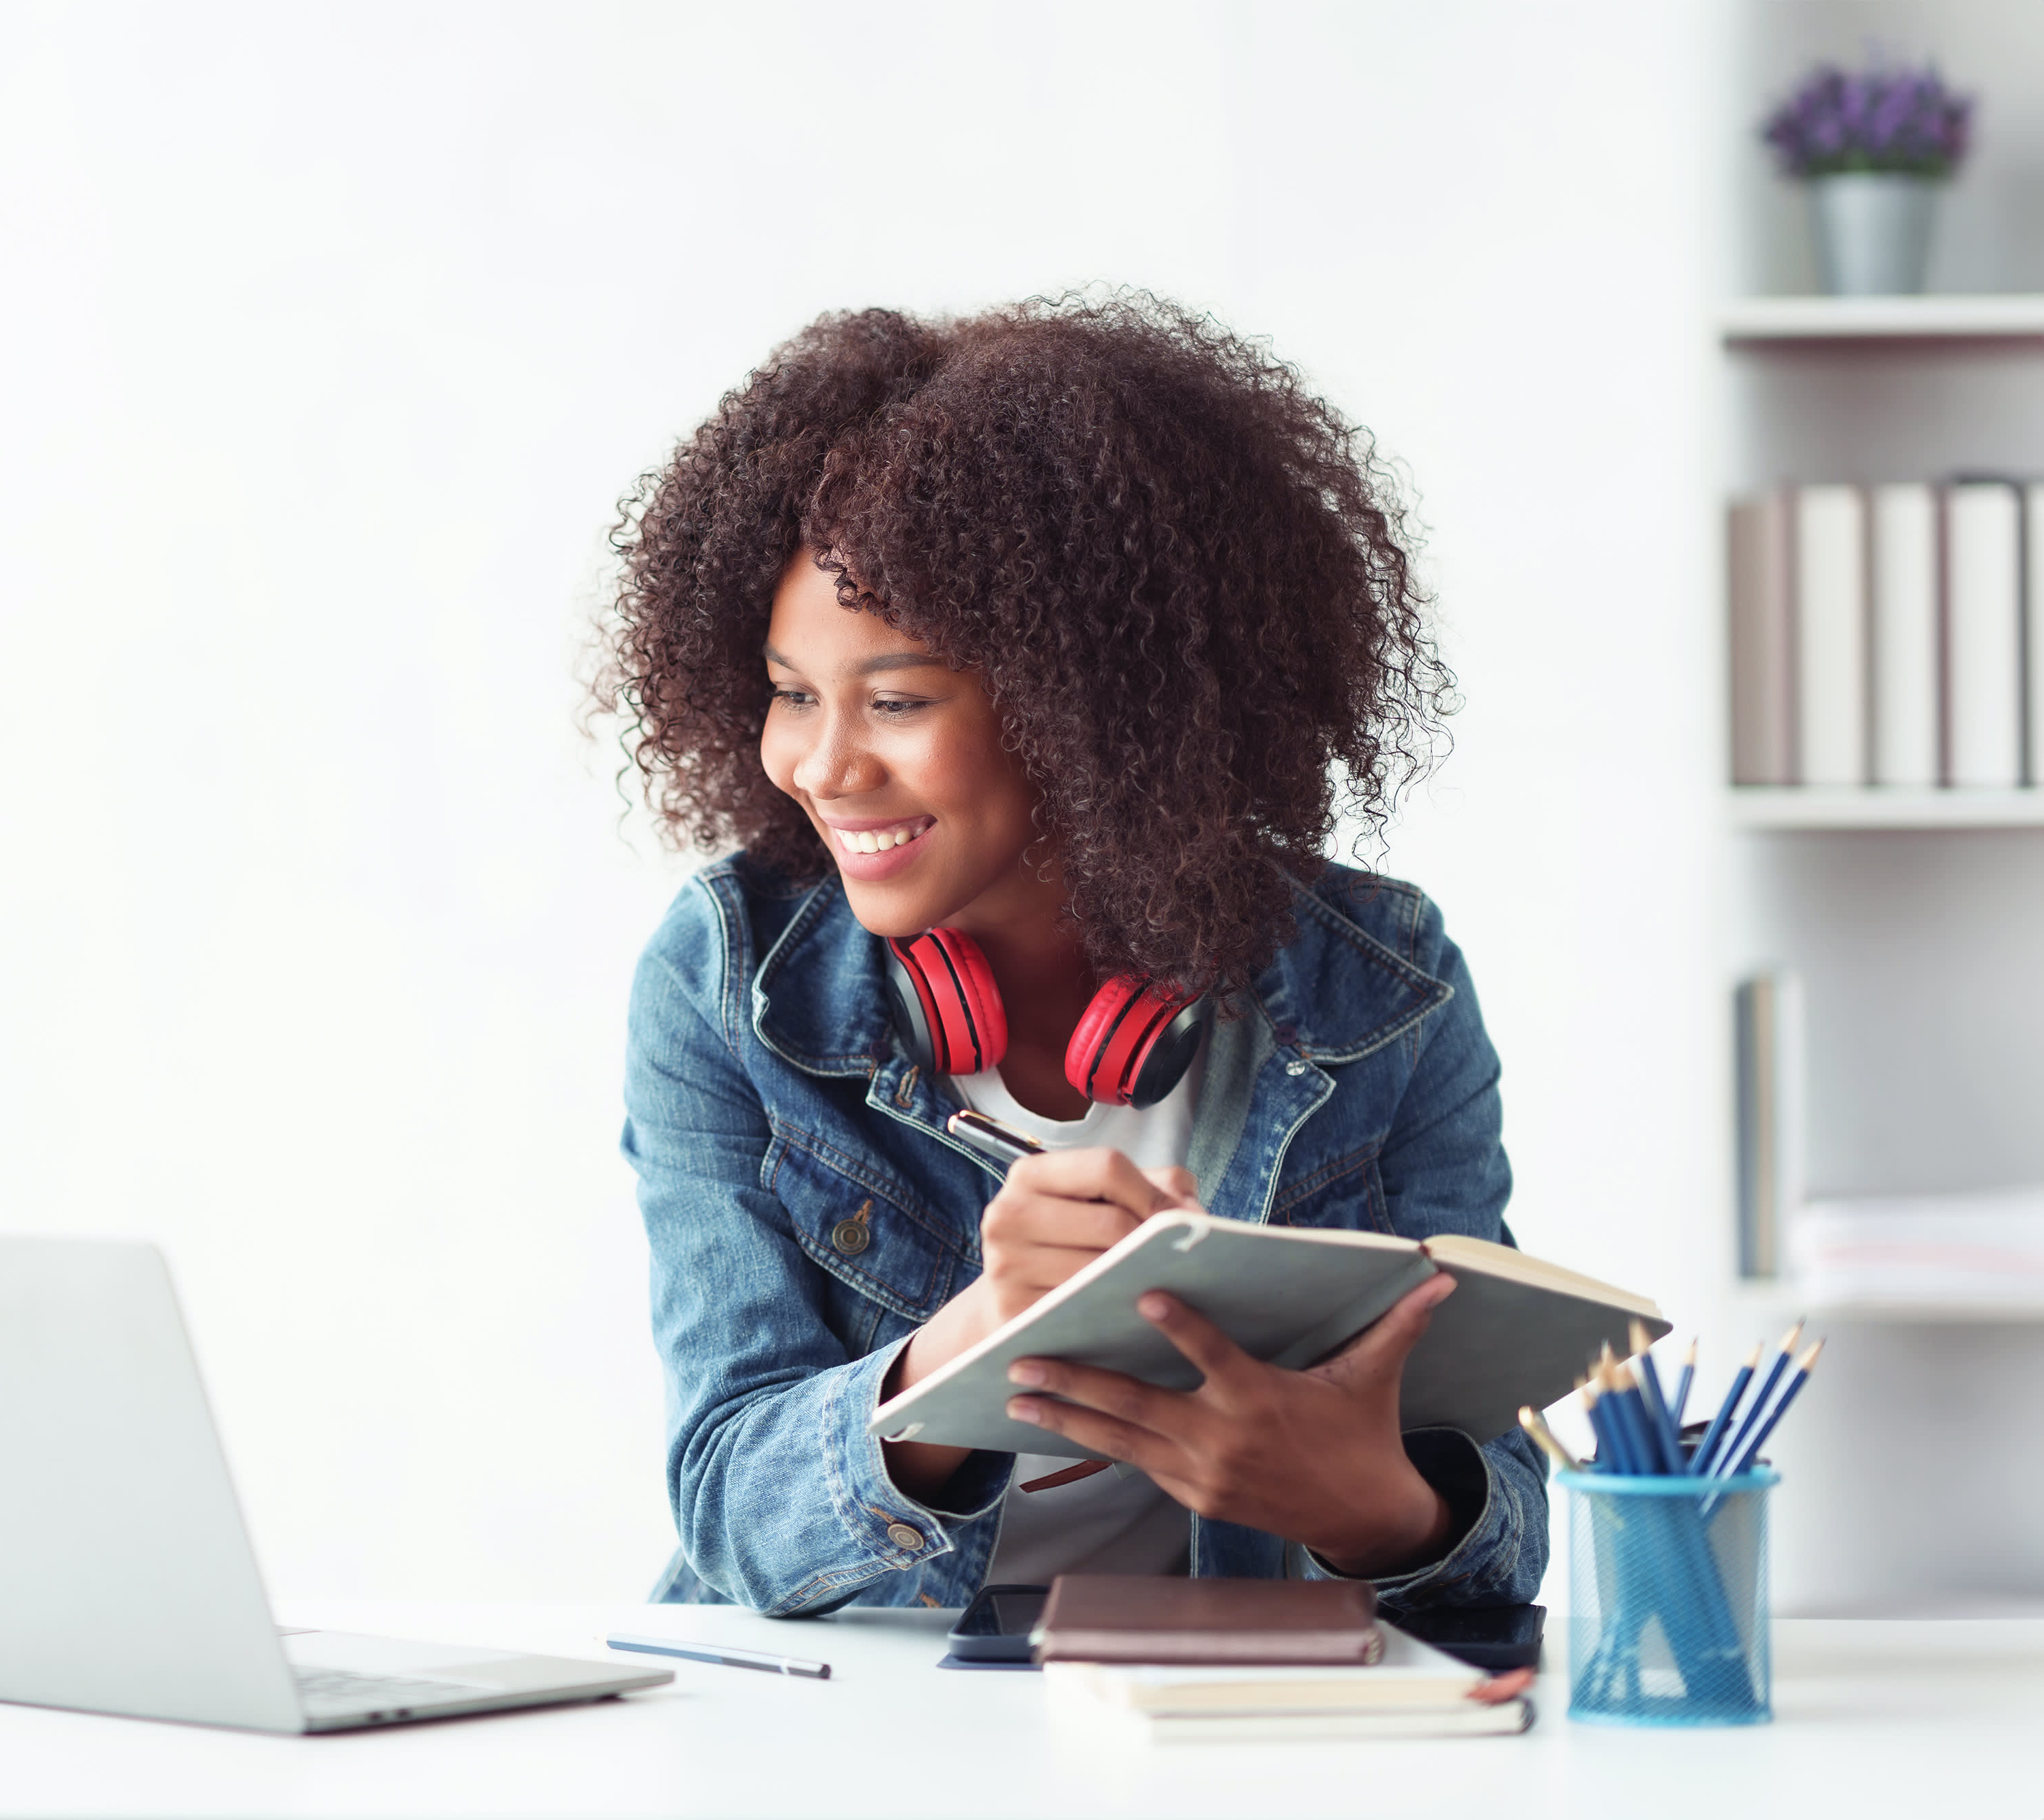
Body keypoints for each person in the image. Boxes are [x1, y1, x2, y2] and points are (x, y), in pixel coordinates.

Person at [594, 294, 1544, 1617]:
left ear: (1091, 703)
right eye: (791, 692)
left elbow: (1500, 1534)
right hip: (852, 1720)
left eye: (898, 699)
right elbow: (726, 1504)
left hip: (1222, 1722)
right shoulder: (729, 979)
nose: (820, 765)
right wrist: (975, 1338)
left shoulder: (1374, 988)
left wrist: (1363, 1501)